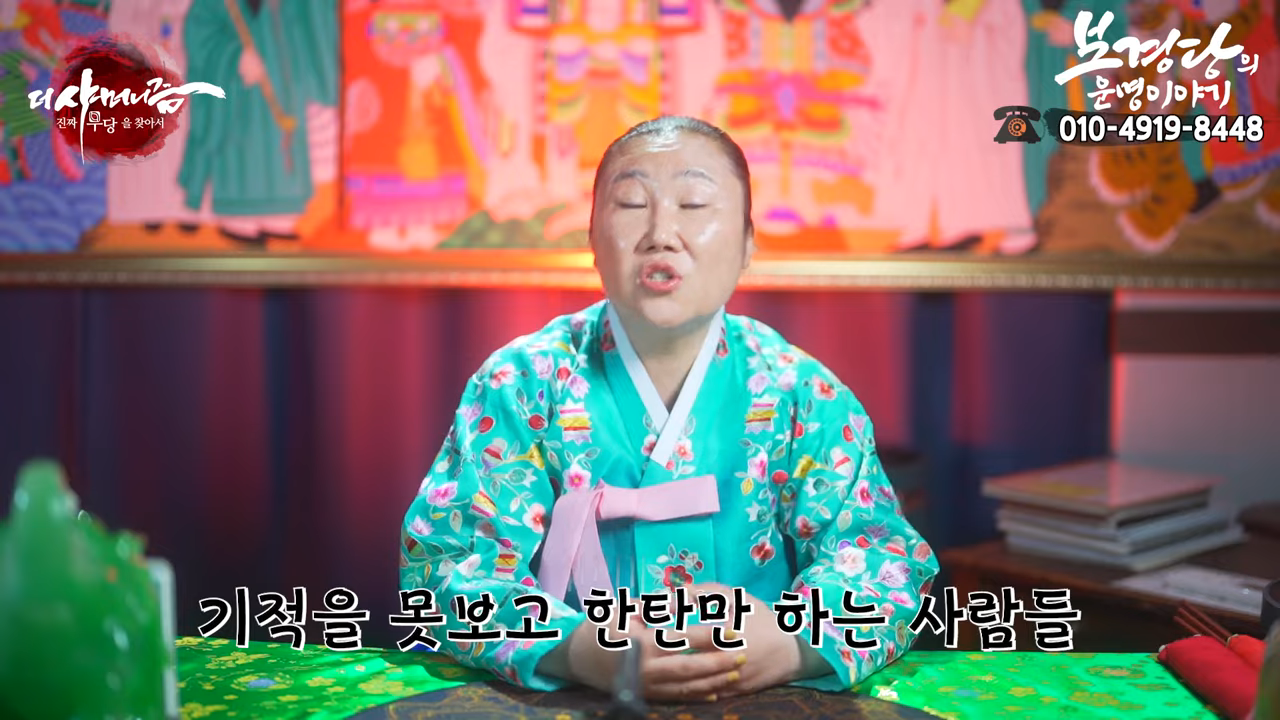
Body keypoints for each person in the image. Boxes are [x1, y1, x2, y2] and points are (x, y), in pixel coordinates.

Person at [399, 115, 939, 702]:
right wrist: (578, 650)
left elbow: (881, 559)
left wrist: (790, 646)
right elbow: (447, 566)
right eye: (632, 204)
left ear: (747, 243)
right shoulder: (519, 383)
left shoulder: (801, 393)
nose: (661, 233)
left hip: (762, 697)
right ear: (592, 239)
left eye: (694, 204)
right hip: (571, 696)